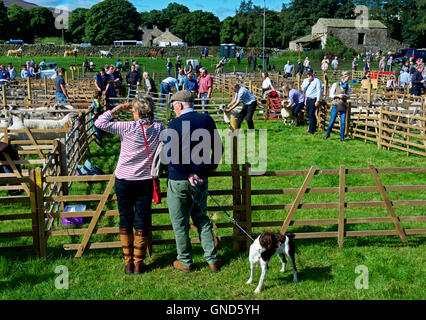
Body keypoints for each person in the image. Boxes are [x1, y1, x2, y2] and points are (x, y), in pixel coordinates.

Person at [95, 96, 165, 275]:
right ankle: (139, 263)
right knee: (142, 219)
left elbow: (99, 123)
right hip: (145, 179)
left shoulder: (127, 127)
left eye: (133, 109)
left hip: (125, 179)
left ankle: (128, 262)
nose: (131, 111)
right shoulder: (159, 127)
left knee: (125, 218)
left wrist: (118, 108)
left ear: (137, 111)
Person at [164, 90, 223, 274]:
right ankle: (212, 260)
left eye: (174, 106)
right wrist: (209, 168)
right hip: (200, 179)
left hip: (179, 180)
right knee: (201, 218)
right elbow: (218, 147)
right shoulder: (206, 120)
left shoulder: (174, 124)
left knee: (179, 222)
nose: (173, 110)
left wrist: (187, 173)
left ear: (179, 105)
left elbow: (170, 155)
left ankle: (185, 261)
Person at [323, 72, 351, 142]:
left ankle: (342, 138)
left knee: (343, 122)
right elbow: (331, 95)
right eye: (348, 77)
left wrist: (345, 96)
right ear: (344, 77)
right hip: (336, 104)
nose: (349, 79)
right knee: (332, 121)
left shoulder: (348, 86)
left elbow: (348, 95)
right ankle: (327, 134)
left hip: (343, 105)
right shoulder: (335, 84)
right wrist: (338, 96)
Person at [301, 68, 322, 135]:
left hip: (313, 99)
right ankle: (312, 128)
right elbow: (303, 88)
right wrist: (308, 82)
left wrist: (318, 100)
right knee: (309, 114)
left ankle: (311, 130)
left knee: (311, 114)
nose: (309, 75)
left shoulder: (317, 81)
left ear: (312, 73)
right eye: (308, 73)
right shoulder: (305, 80)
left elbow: (319, 91)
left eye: (310, 73)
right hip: (307, 99)